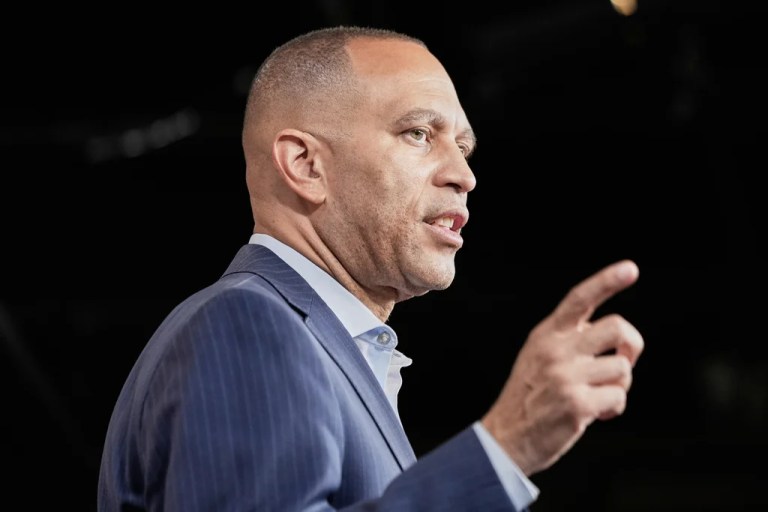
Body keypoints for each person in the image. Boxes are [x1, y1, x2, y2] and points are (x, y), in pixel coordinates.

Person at [97, 25, 644, 511]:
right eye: (418, 134)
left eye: (464, 147)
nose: (464, 175)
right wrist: (506, 447)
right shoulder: (247, 324)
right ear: (306, 165)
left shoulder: (325, 347)